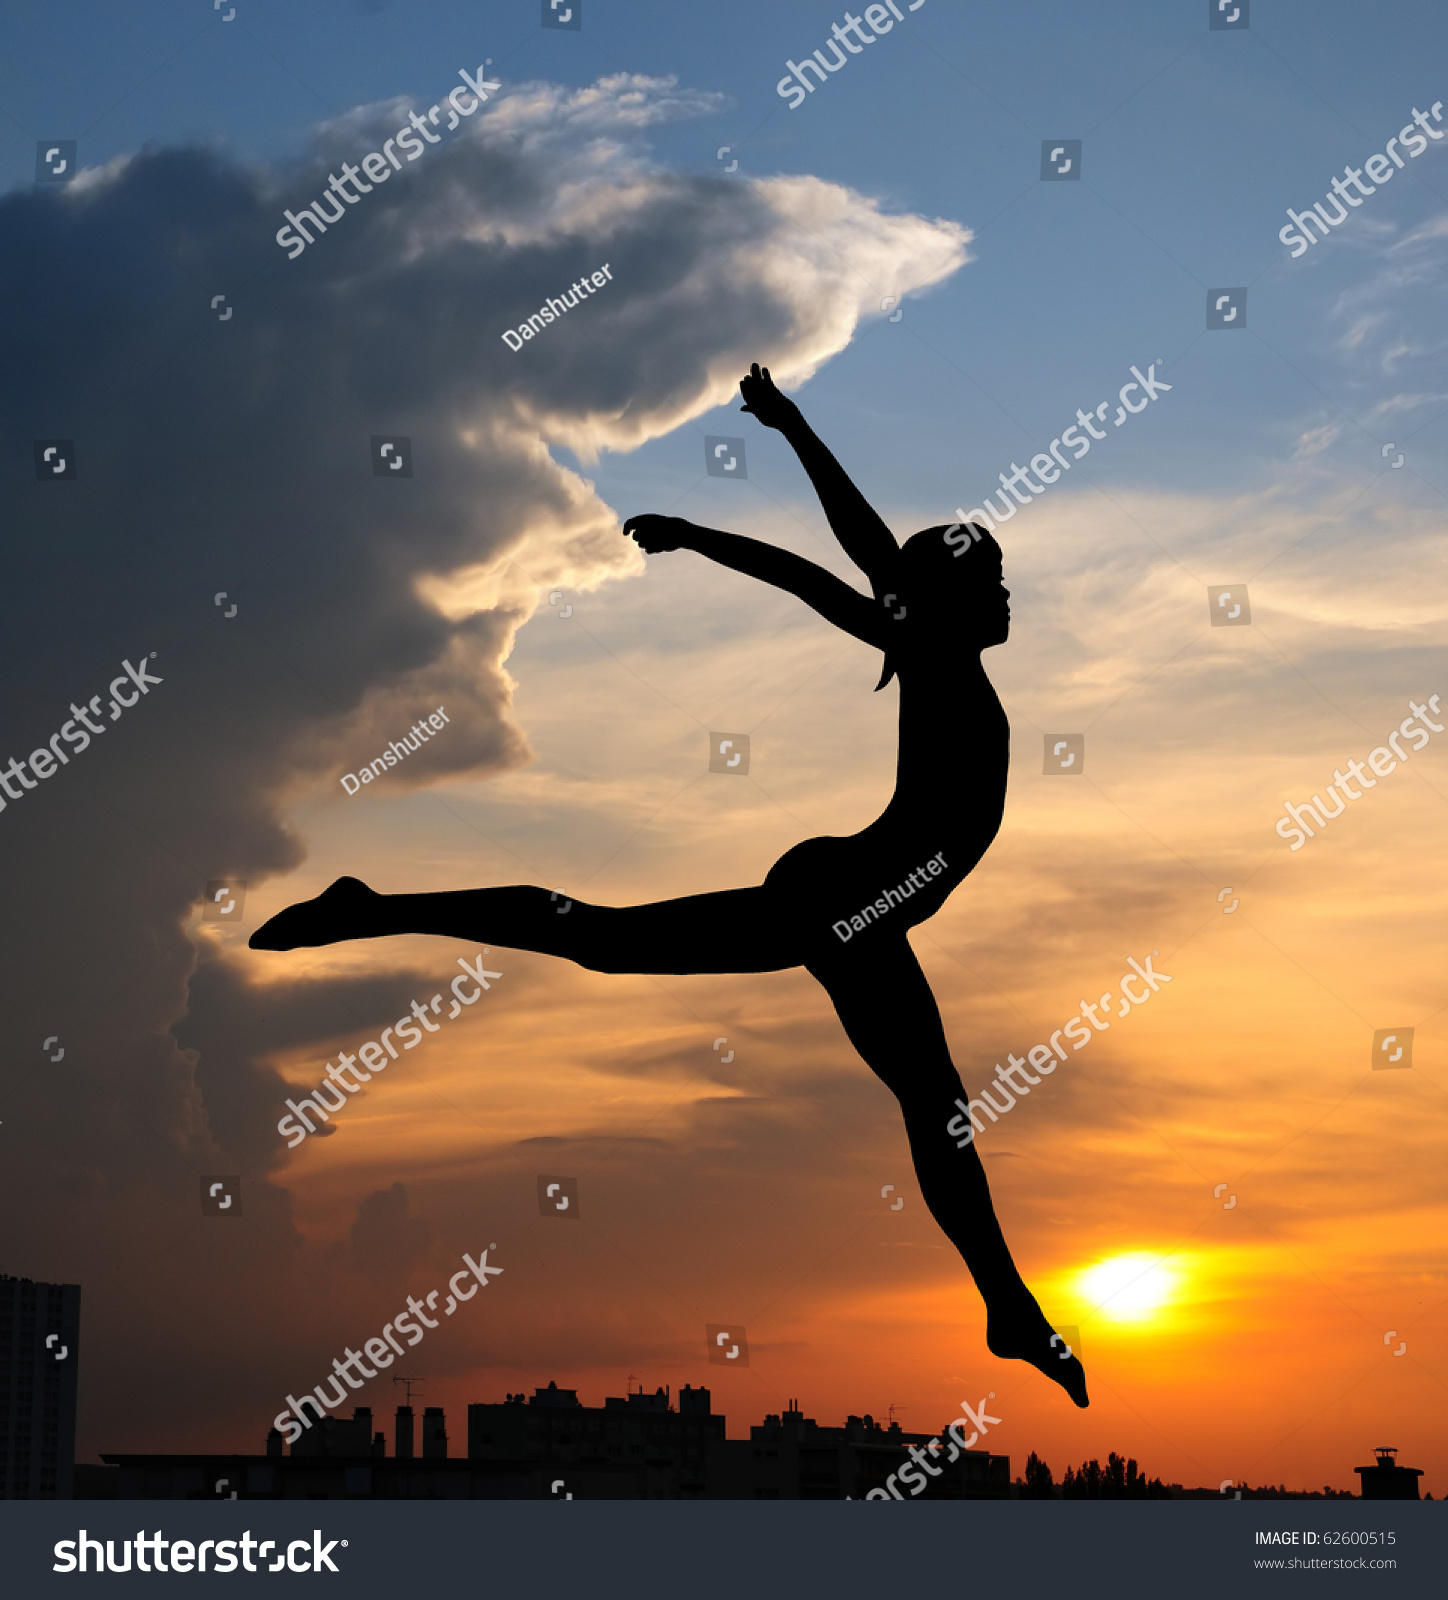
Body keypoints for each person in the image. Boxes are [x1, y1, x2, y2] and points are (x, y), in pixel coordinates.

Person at [252, 363, 1089, 1407]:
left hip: (858, 903)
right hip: (847, 904)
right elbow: (831, 561)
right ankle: (371, 908)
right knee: (623, 949)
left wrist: (788, 425)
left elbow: (862, 549)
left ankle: (1008, 1307)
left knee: (925, 1102)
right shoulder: (928, 649)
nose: (1008, 597)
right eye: (992, 584)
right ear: (948, 603)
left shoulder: (932, 649)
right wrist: (706, 527)